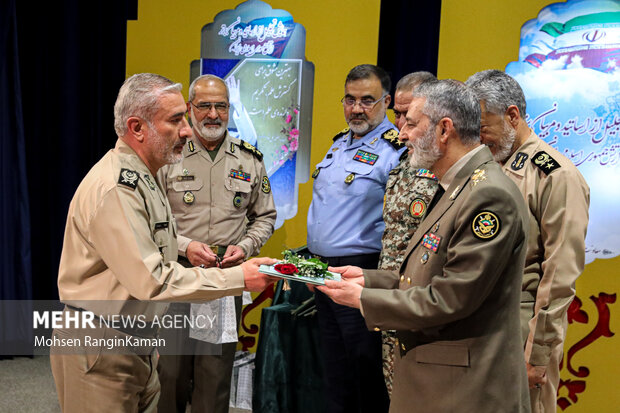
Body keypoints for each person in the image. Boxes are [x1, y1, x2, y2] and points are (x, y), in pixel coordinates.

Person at [50, 73, 276, 413]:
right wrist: (240, 278)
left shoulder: (147, 175)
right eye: (177, 119)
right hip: (104, 341)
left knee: (212, 378)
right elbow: (153, 280)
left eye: (185, 117)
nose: (188, 129)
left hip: (135, 333)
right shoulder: (118, 187)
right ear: (137, 127)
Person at [318, 79, 531, 412]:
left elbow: (450, 298)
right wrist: (366, 279)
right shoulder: (456, 184)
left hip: (465, 390)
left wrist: (362, 298)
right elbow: (426, 273)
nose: (401, 133)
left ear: (444, 130)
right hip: (440, 381)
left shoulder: (488, 195)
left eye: (412, 124)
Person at [466, 69, 590, 413]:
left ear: (512, 116)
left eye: (482, 126)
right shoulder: (485, 169)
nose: (476, 138)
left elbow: (559, 274)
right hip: (480, 328)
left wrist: (538, 353)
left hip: (523, 333)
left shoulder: (555, 175)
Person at [156, 74, 277, 413]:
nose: (213, 114)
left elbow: (265, 216)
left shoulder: (249, 159)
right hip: (176, 277)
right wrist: (184, 247)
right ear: (190, 109)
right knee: (171, 372)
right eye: (204, 106)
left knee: (214, 373)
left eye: (220, 106)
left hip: (225, 280)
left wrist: (247, 247)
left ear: (230, 109)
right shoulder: (168, 157)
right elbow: (150, 221)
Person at [307, 64, 405, 412]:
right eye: (350, 100)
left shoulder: (397, 151)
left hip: (363, 272)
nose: (357, 108)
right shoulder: (338, 145)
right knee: (334, 373)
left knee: (364, 372)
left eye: (367, 100)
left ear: (386, 101)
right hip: (323, 273)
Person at [379, 71, 438, 397]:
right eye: (396, 114)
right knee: (395, 393)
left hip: (424, 310)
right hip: (391, 303)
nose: (399, 125)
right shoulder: (403, 164)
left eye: (408, 115)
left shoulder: (449, 172)